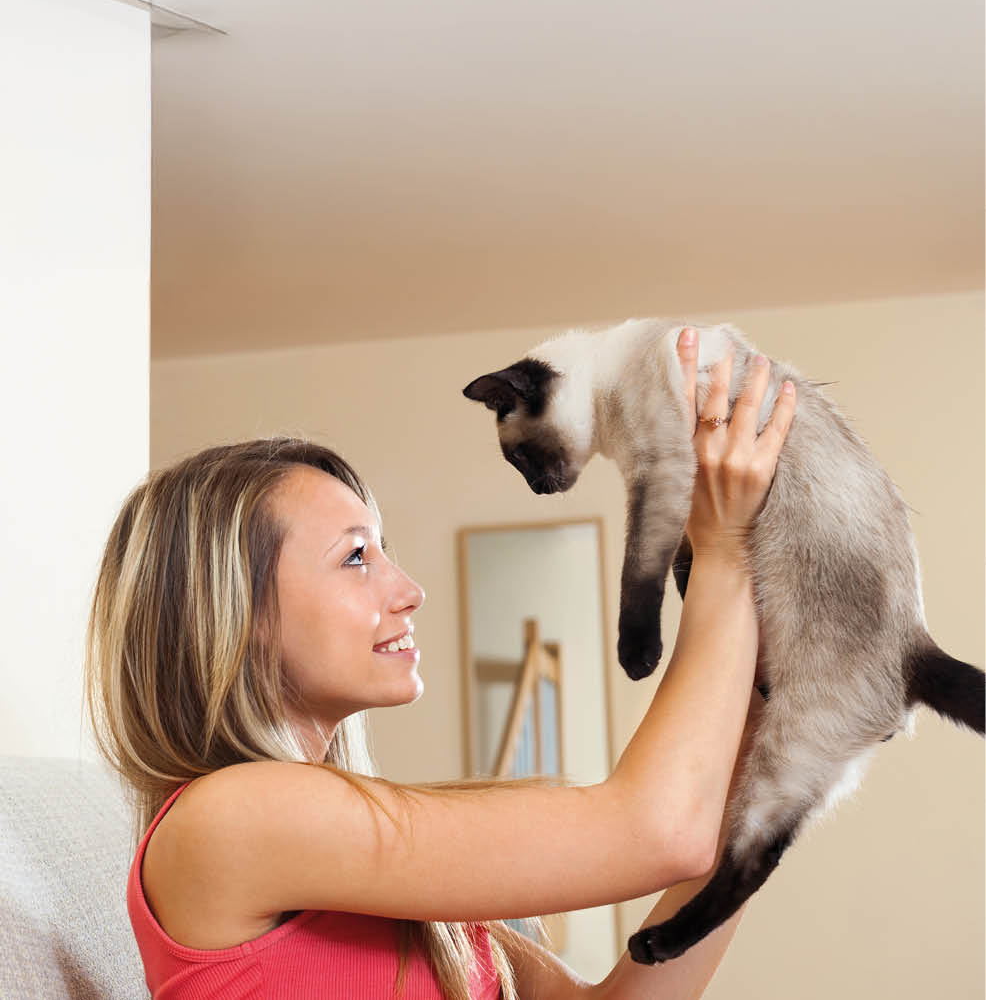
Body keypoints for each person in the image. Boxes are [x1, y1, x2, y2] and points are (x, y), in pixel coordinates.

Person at [85, 329, 796, 999]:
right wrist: (723, 548)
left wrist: (758, 736)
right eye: (357, 556)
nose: (409, 590)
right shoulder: (226, 818)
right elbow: (657, 831)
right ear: (236, 615)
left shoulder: (388, 881)